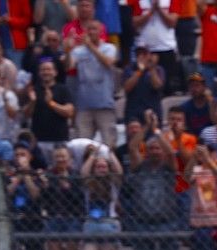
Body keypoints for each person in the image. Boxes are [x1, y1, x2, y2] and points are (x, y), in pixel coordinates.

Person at [124, 111, 180, 250]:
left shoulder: (168, 167)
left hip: (167, 222)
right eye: (152, 148)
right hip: (143, 222)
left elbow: (171, 153)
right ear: (146, 151)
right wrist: (147, 126)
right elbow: (132, 147)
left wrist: (156, 130)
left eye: (157, 148)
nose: (155, 151)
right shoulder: (140, 166)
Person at [68, 19, 117, 148]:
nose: (90, 32)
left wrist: (90, 47)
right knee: (82, 145)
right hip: (84, 106)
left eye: (94, 29)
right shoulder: (78, 51)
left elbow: (108, 62)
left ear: (101, 31)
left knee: (109, 144)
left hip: (104, 104)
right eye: (88, 29)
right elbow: (68, 66)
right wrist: (67, 49)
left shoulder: (109, 48)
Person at [23, 59, 74, 162]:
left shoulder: (63, 89)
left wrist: (51, 103)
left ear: (55, 72)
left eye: (49, 69)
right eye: (43, 70)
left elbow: (69, 112)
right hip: (38, 140)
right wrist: (32, 102)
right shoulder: (34, 90)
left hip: (59, 141)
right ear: (39, 73)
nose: (46, 72)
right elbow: (26, 114)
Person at [185, 144, 217, 250]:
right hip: (199, 220)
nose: (207, 156)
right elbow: (186, 176)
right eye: (205, 153)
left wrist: (207, 160)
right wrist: (194, 158)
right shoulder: (196, 170)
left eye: (211, 153)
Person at [40, 145, 84, 250]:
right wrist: (45, 187)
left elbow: (80, 199)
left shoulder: (76, 175)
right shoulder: (48, 175)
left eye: (63, 156)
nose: (60, 159)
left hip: (72, 217)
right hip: (53, 216)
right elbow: (43, 199)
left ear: (69, 158)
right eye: (57, 157)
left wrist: (67, 186)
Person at [80, 148, 122, 250]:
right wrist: (93, 155)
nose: (102, 169)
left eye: (104, 167)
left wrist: (111, 153)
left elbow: (119, 171)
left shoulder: (113, 183)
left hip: (109, 224)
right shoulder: (89, 184)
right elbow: (84, 172)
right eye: (98, 167)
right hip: (91, 224)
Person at [131, 0, 181, 96]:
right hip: (145, 49)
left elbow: (172, 22)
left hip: (166, 47)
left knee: (166, 86)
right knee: (145, 85)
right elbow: (135, 23)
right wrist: (151, 11)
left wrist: (159, 9)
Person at [7, 143, 44, 250]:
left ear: (30, 157)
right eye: (17, 155)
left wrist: (26, 175)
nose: (19, 157)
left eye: (23, 154)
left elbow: (35, 194)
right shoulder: (9, 174)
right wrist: (18, 177)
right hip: (15, 220)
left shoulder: (37, 174)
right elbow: (8, 192)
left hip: (34, 220)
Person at [122, 45, 164, 124]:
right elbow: (127, 88)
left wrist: (151, 68)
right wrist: (140, 70)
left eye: (144, 54)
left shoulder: (158, 69)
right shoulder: (129, 69)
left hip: (153, 111)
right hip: (133, 112)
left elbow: (157, 86)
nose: (141, 56)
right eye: (138, 54)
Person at [180, 71, 213, 136]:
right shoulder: (184, 107)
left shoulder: (213, 103)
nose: (194, 89)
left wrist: (210, 102)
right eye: (191, 86)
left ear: (204, 87)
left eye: (197, 85)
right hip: (192, 141)